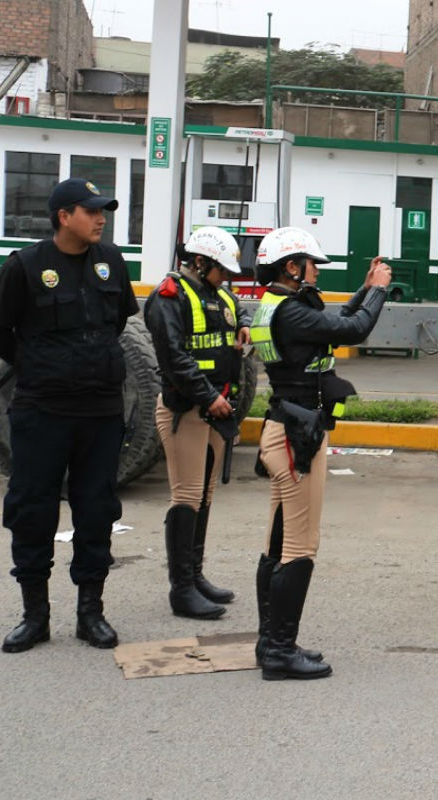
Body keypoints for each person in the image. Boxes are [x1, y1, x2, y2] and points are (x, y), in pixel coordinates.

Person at [0, 178, 138, 653]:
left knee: (96, 508)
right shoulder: (24, 266)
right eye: (91, 211)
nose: (101, 218)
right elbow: (2, 331)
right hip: (43, 410)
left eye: (103, 211)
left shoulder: (111, 262)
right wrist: (43, 364)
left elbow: (117, 321)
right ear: (64, 216)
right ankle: (35, 615)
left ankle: (90, 613)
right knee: (33, 508)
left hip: (100, 409)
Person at [250, 227, 390, 680]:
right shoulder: (291, 312)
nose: (316, 271)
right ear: (292, 267)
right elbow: (355, 329)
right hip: (297, 436)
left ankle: (270, 641)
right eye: (312, 264)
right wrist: (380, 292)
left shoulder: (279, 306)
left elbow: (333, 326)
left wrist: (365, 290)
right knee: (300, 545)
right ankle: (280, 651)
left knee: (277, 542)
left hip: (284, 427)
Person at [144, 226, 249, 620]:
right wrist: (209, 397)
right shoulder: (169, 296)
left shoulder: (218, 292)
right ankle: (181, 589)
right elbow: (173, 357)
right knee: (186, 496)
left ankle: (196, 575)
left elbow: (235, 307)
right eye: (221, 269)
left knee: (204, 495)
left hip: (216, 411)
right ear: (200, 262)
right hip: (186, 410)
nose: (227, 277)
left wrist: (242, 322)